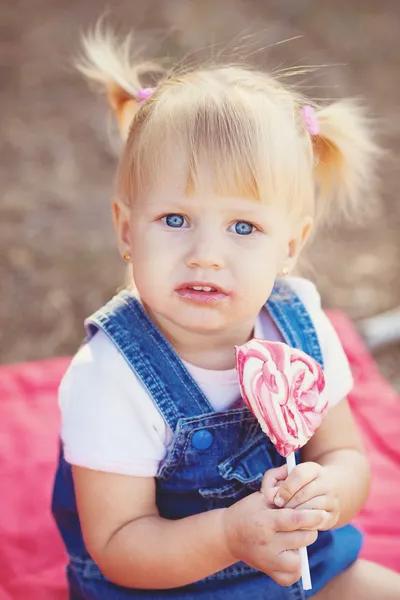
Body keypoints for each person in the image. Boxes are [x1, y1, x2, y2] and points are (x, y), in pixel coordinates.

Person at [52, 25, 400, 600]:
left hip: (305, 569)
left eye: (244, 227)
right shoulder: (110, 377)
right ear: (125, 230)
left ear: (290, 246)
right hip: (167, 588)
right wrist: (228, 535)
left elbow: (345, 455)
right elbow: (118, 545)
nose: (206, 256)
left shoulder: (300, 325)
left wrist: (329, 490)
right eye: (174, 220)